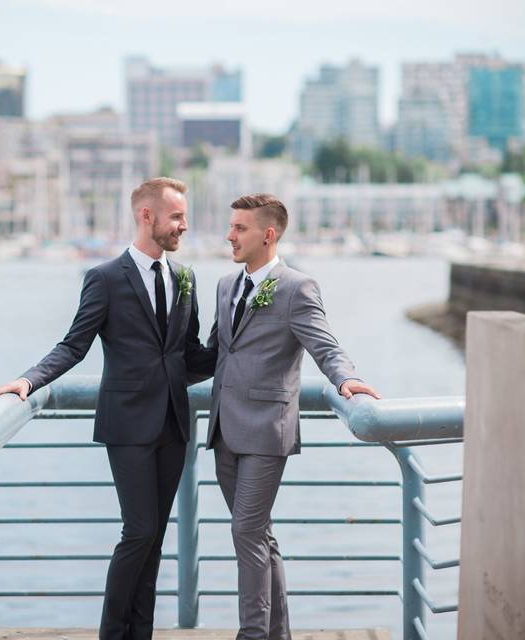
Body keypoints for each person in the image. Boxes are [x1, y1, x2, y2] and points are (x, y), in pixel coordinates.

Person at [0, 177, 215, 640]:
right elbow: (74, 345)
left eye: (184, 217)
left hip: (174, 425)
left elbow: (191, 355)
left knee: (153, 543)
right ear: (146, 216)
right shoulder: (105, 278)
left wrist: (244, 336)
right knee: (138, 531)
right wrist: (28, 380)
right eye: (176, 217)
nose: (184, 226)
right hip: (128, 424)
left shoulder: (186, 277)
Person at [204, 193, 380, 640]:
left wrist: (346, 380)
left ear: (268, 233)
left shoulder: (296, 288)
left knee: (245, 530)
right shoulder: (226, 285)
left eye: (239, 228)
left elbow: (324, 344)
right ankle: (278, 633)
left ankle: (253, 634)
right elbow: (213, 352)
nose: (230, 235)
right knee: (259, 535)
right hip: (224, 428)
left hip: (266, 430)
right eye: (231, 227)